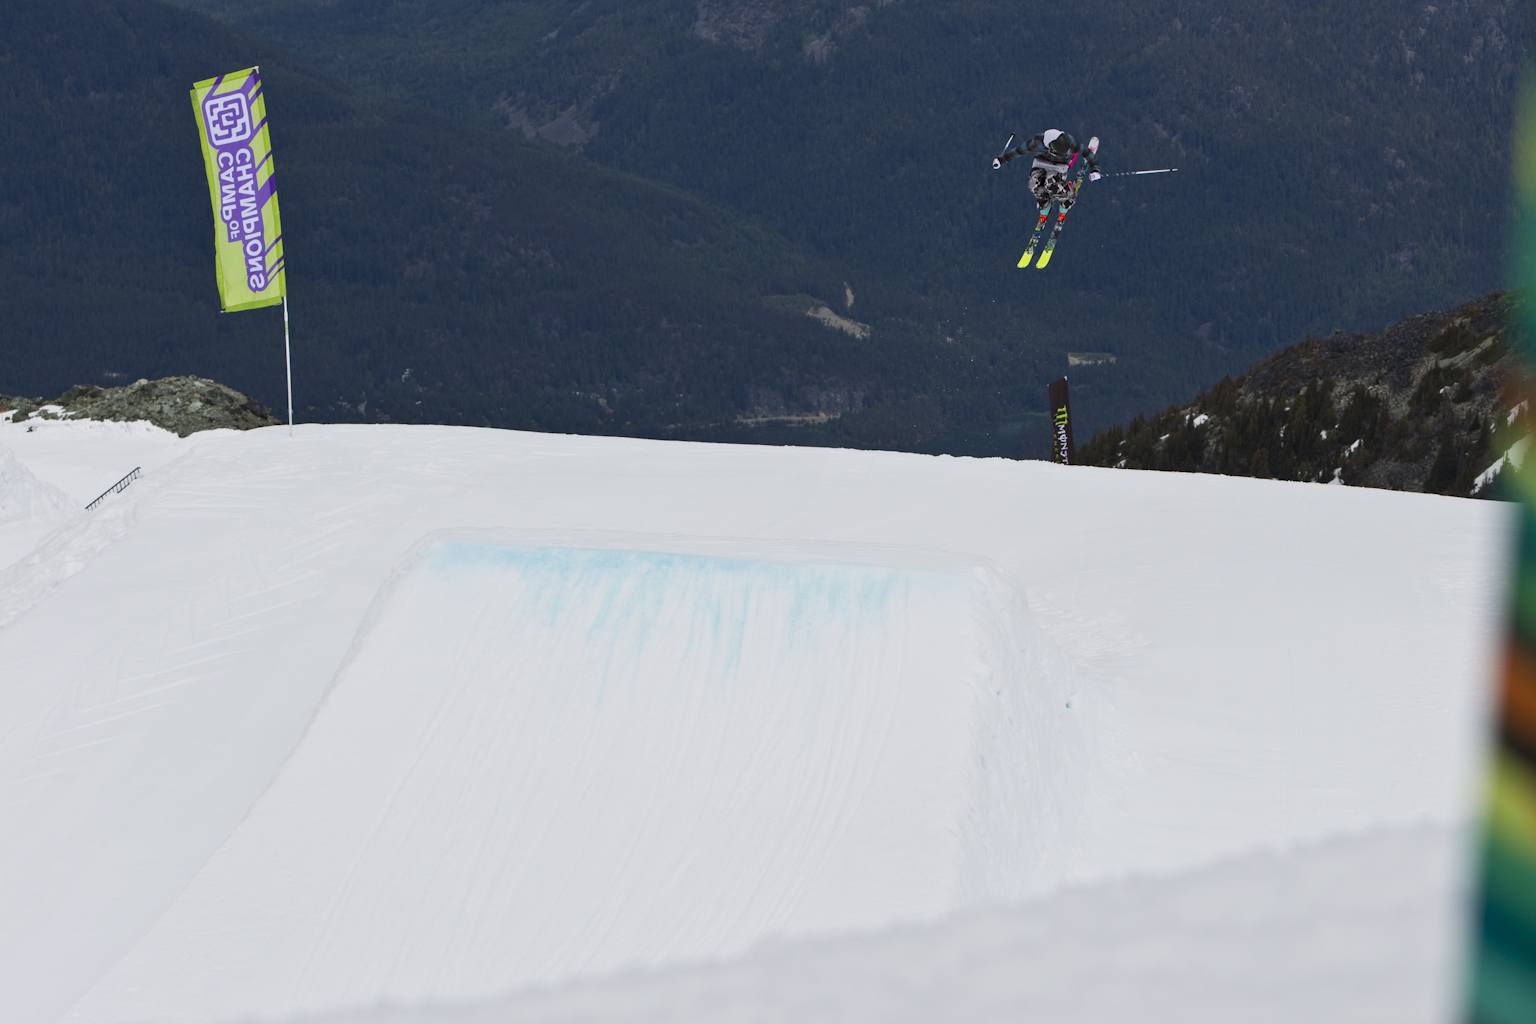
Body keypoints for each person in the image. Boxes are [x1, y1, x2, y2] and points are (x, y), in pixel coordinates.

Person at [993, 130, 1101, 215]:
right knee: (1033, 183)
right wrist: (1001, 160)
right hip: (1041, 162)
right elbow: (1020, 150)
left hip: (1060, 166)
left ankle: (1068, 195)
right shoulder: (1037, 142)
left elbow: (1087, 153)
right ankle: (1044, 198)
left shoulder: (1070, 141)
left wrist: (1095, 170)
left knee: (1051, 183)